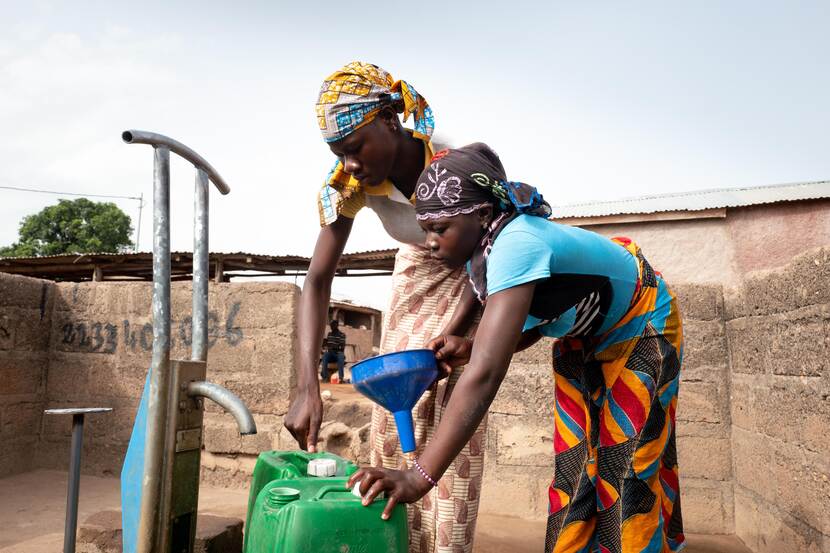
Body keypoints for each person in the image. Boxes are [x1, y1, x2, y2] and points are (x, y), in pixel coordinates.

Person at [347, 143, 686, 553]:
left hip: (641, 320)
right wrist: (471, 346)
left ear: (484, 214)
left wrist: (420, 476)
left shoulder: (517, 243)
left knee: (627, 464)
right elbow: (523, 332)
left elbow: (487, 373)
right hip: (581, 336)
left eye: (441, 228)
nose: (431, 242)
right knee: (575, 467)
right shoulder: (484, 259)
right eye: (426, 229)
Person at [283, 62, 484, 553]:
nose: (349, 163)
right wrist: (308, 386)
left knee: (451, 427)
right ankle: (397, 543)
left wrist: (445, 342)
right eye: (339, 153)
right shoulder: (349, 185)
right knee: (393, 420)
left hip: (476, 278)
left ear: (392, 122)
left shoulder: (451, 163)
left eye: (354, 148)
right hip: (416, 276)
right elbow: (317, 280)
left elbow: (488, 251)